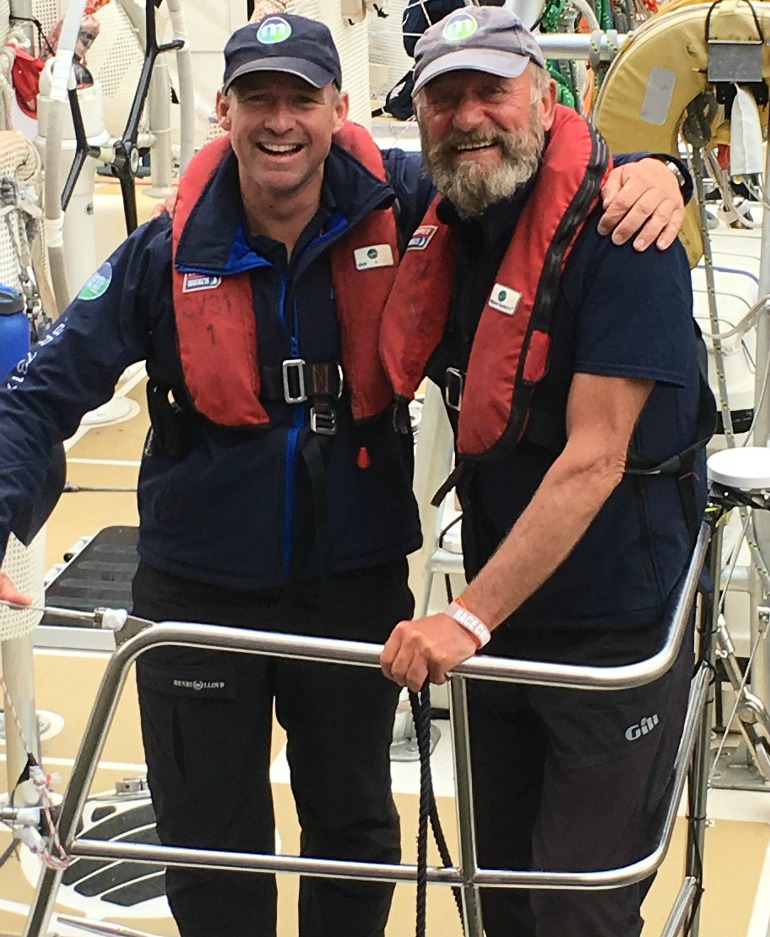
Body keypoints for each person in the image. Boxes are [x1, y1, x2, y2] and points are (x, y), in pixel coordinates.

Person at [0, 12, 690, 937]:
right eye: (257, 99)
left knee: (354, 835)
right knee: (209, 846)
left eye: (300, 99)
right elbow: (39, 394)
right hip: (199, 593)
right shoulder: (163, 254)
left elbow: (537, 189)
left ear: (339, 108)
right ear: (224, 110)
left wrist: (660, 172)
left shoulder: (407, 202)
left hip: (349, 587)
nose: (279, 123)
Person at [379, 7, 714, 937]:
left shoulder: (623, 231)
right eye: (445, 98)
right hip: (504, 637)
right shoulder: (451, 207)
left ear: (542, 94)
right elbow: (310, 156)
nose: (470, 115)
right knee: (495, 895)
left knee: (577, 912)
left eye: (492, 89)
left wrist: (464, 615)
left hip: (611, 640)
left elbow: (595, 458)